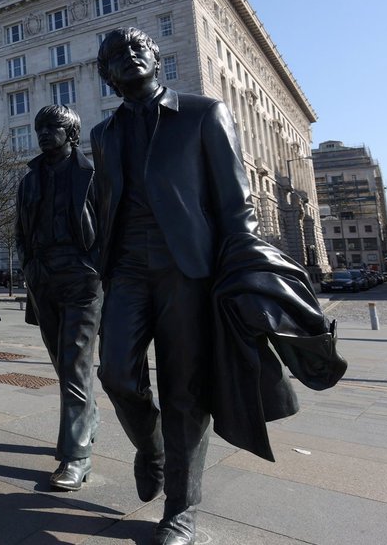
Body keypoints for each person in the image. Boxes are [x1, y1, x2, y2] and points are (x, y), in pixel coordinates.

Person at [91, 28, 258, 545]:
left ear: (157, 61)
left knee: (185, 389)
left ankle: (180, 509)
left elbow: (236, 203)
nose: (131, 54)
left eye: (139, 47)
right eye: (117, 53)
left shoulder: (203, 114)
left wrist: (245, 268)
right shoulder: (104, 133)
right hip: (126, 269)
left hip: (187, 267)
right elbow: (104, 204)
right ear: (109, 76)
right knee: (116, 372)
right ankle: (153, 446)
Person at [14, 104, 102, 491]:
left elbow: (110, 224)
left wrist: (96, 268)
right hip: (43, 277)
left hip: (82, 278)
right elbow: (20, 229)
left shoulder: (92, 174)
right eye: (40, 128)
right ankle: (87, 421)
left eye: (54, 127)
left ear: (72, 133)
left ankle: (76, 456)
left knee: (75, 363)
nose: (45, 133)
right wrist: (29, 267)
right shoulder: (30, 179)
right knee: (63, 364)